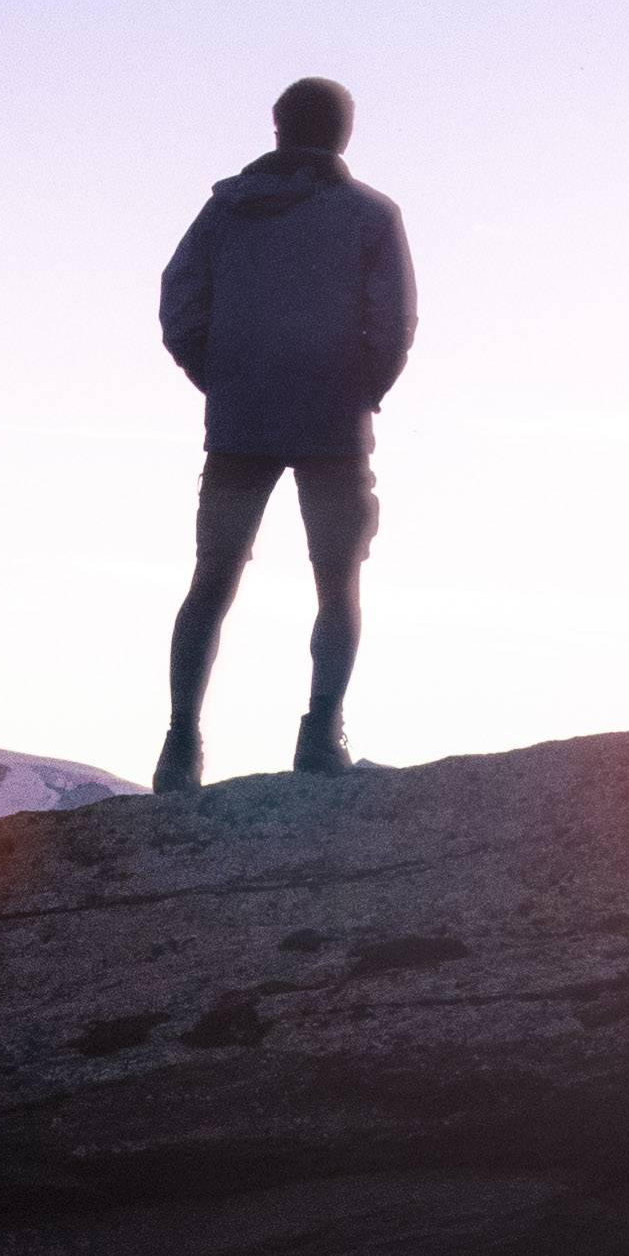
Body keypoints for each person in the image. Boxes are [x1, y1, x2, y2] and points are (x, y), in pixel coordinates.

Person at [153, 76, 416, 788]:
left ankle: (180, 746)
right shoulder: (370, 215)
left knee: (211, 580)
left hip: (239, 422)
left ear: (277, 129)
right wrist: (363, 386)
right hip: (333, 423)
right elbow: (395, 322)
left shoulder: (226, 211)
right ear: (344, 133)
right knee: (337, 584)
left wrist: (220, 373)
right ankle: (319, 737)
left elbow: (178, 299)